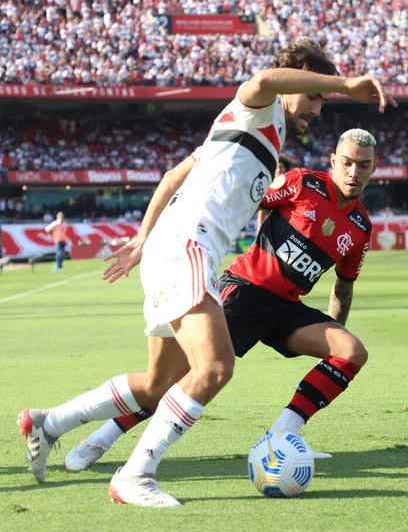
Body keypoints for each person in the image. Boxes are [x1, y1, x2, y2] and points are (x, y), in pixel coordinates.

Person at [19, 39, 396, 507]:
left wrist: (143, 237)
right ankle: (134, 475)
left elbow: (177, 173)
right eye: (315, 96)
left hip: (176, 247)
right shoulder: (259, 110)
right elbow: (263, 80)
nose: (318, 109)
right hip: (191, 246)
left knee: (159, 382)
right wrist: (344, 84)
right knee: (215, 368)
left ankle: (48, 422)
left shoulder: (260, 134)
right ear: (298, 76)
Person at [64, 128, 375, 472]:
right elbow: (247, 195)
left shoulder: (360, 226)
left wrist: (333, 331)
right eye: (347, 163)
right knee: (177, 375)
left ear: (373, 168)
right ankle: (102, 436)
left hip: (286, 308)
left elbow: (343, 287)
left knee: (351, 352)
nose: (353, 172)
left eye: (363, 166)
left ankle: (281, 437)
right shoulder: (303, 183)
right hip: (244, 290)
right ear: (333, 161)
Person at [257, 154, 292, 231]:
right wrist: (259, 232)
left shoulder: (291, 187)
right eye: (276, 168)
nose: (278, 170)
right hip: (271, 227)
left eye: (281, 167)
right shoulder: (269, 187)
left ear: (286, 168)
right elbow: (262, 211)